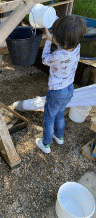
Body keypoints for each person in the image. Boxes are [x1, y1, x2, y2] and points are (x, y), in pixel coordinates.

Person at [36, 15, 87, 154]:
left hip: (56, 92)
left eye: (55, 35)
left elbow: (45, 59)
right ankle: (59, 137)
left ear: (62, 40)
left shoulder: (59, 55)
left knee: (48, 118)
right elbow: (64, 43)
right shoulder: (77, 46)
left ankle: (45, 144)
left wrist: (48, 41)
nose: (53, 36)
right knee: (59, 113)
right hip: (69, 89)